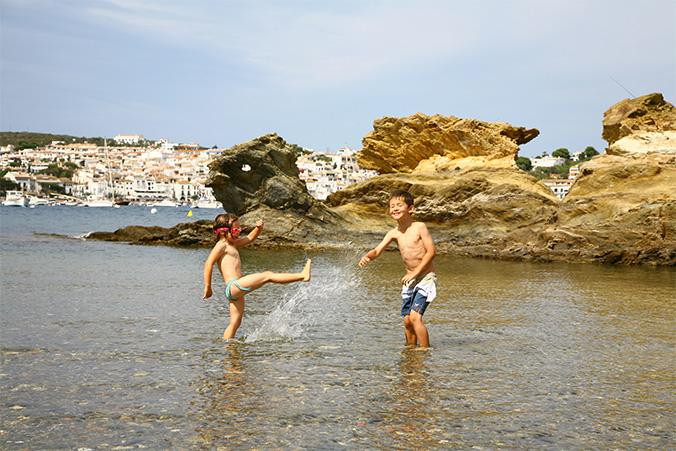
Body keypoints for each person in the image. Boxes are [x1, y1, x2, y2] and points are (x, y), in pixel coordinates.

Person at [203, 213, 312, 339]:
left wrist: (258, 228)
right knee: (267, 275)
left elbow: (250, 238)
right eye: (235, 229)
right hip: (234, 286)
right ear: (223, 231)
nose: (238, 232)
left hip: (235, 290)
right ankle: (302, 276)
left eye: (239, 229)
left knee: (235, 323)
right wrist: (208, 287)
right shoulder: (221, 245)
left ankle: (228, 348)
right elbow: (208, 264)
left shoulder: (233, 244)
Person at [358, 190, 437, 348]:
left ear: (411, 208)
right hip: (409, 281)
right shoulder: (393, 233)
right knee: (407, 321)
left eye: (399, 205)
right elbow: (377, 250)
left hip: (425, 278)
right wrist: (368, 256)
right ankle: (410, 351)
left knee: (415, 317)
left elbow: (431, 252)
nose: (394, 208)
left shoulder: (419, 227)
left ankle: (425, 351)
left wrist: (416, 273)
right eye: (391, 206)